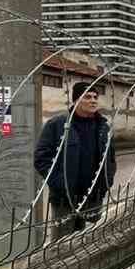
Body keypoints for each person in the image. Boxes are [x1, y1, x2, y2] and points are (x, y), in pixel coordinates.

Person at [33, 80, 117, 237]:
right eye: (87, 97)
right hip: (65, 199)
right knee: (63, 243)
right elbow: (41, 158)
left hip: (93, 197)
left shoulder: (103, 127)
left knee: (91, 241)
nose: (93, 101)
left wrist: (107, 182)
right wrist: (60, 183)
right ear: (76, 100)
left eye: (95, 97)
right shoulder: (57, 125)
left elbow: (110, 158)